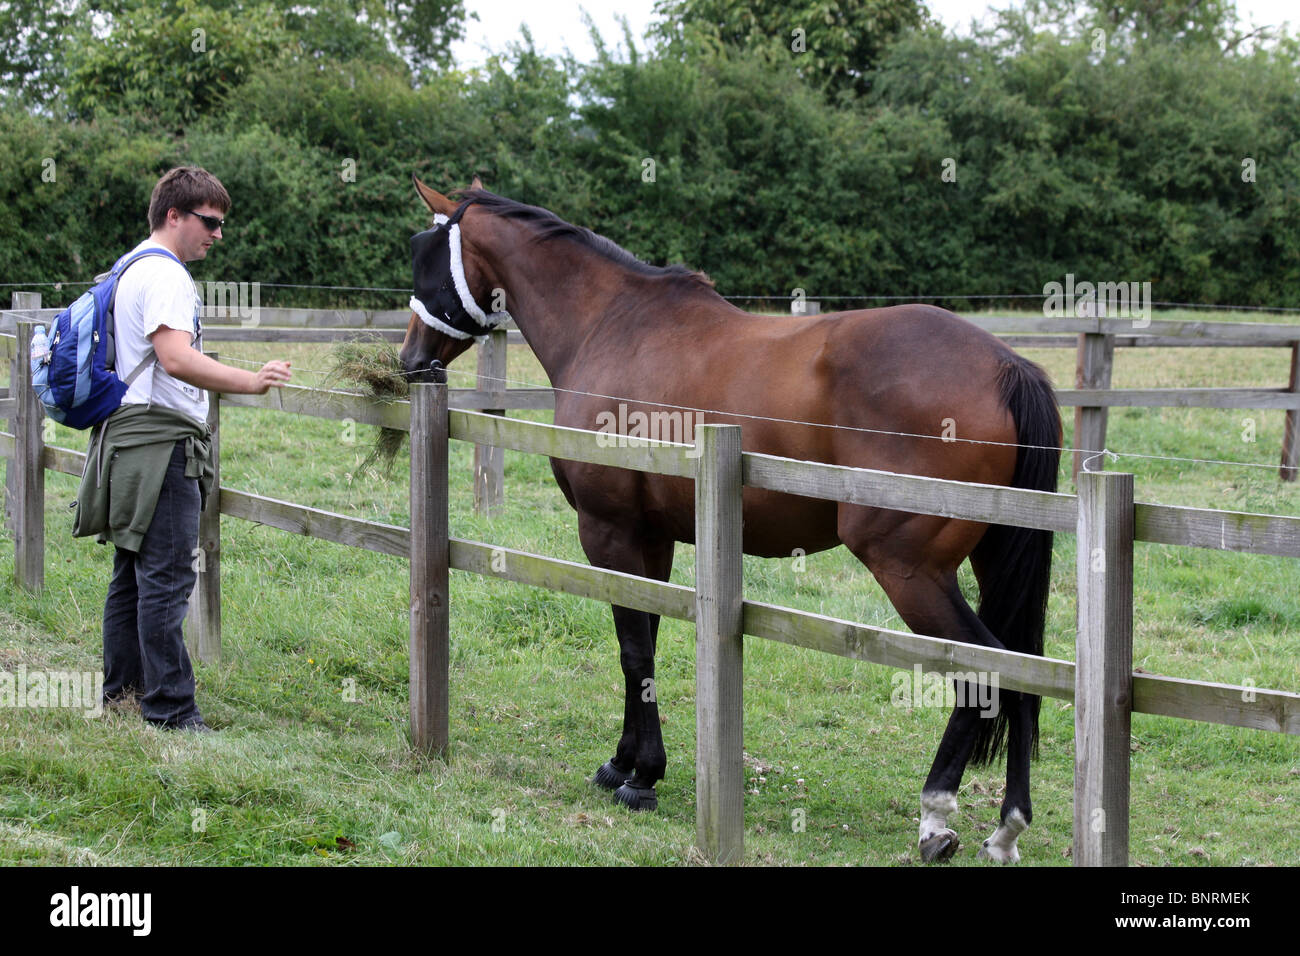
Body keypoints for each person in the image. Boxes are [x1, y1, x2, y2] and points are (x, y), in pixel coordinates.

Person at [74, 165, 292, 731]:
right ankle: (170, 711)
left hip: (128, 438)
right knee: (167, 580)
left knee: (131, 574)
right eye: (210, 222)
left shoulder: (128, 266)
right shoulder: (167, 275)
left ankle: (124, 692)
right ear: (175, 215)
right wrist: (252, 379)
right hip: (162, 444)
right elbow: (175, 358)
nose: (218, 235)